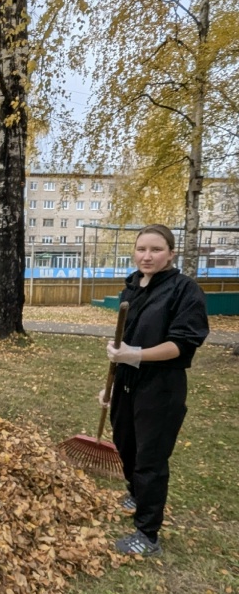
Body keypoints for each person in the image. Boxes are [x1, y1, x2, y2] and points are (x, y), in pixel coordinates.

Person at [100, 224, 209, 557]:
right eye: (141, 249)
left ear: (171, 253)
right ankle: (136, 493)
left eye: (156, 250)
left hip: (161, 386)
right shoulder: (132, 288)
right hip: (129, 382)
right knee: (125, 443)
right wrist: (112, 383)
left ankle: (147, 535)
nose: (147, 256)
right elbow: (124, 340)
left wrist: (136, 354)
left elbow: (182, 344)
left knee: (150, 457)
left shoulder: (184, 290)